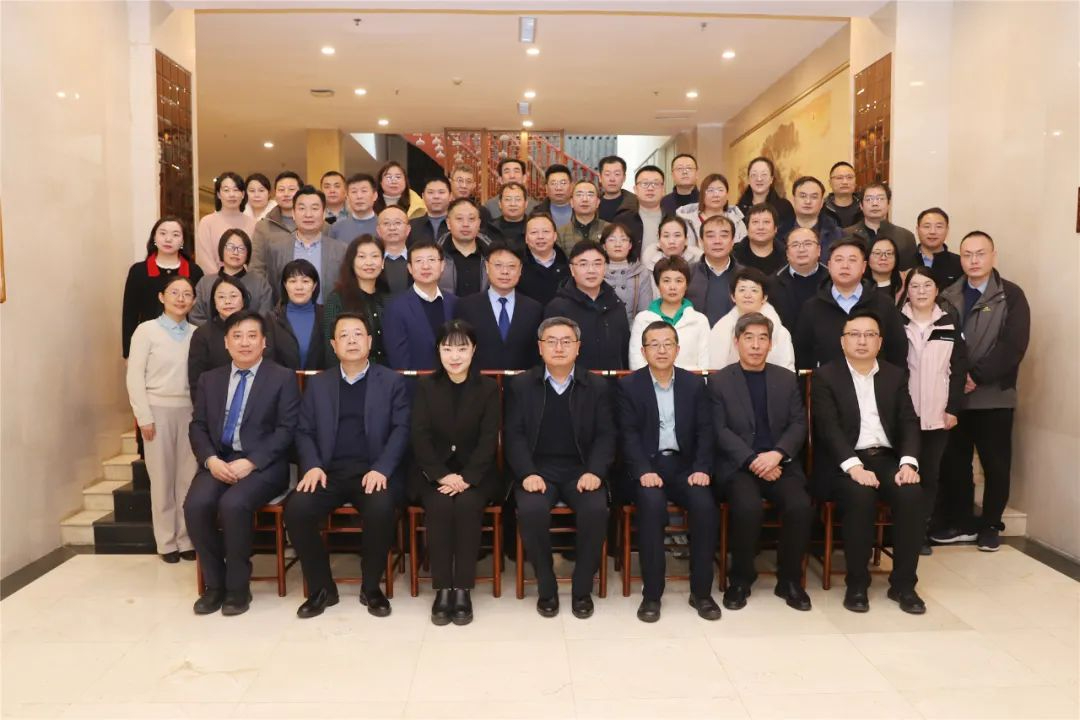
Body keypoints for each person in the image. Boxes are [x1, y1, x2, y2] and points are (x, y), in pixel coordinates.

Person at [285, 312, 410, 619]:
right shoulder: (318, 384)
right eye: (344, 335)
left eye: (358, 334)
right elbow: (303, 430)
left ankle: (371, 587)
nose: (352, 340)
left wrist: (382, 468)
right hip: (328, 472)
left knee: (381, 508)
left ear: (369, 341)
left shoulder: (391, 381)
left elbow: (402, 429)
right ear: (333, 345)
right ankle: (322, 588)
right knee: (297, 509)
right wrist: (312, 465)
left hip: (373, 471)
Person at [185, 310, 300, 616]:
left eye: (252, 336)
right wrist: (210, 460)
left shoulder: (282, 377)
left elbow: (287, 429)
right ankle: (215, 585)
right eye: (237, 336)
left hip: (264, 466)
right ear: (226, 342)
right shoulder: (210, 379)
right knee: (196, 505)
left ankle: (237, 588)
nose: (244, 343)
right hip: (219, 460)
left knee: (233, 504)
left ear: (264, 342)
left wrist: (252, 461)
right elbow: (197, 426)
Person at [811, 309, 926, 614]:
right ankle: (857, 584)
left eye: (869, 335)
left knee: (911, 494)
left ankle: (903, 585)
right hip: (842, 462)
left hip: (885, 458)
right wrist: (854, 467)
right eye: (854, 335)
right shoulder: (826, 376)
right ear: (843, 341)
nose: (862, 341)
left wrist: (908, 463)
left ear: (879, 342)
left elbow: (908, 422)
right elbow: (828, 429)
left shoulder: (894, 375)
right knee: (860, 495)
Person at [505, 317, 614, 618]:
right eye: (551, 341)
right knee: (531, 511)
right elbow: (513, 435)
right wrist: (527, 473)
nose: (559, 347)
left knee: (596, 510)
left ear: (578, 347)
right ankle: (546, 585)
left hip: (582, 469)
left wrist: (595, 471)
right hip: (538, 470)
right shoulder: (521, 385)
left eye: (567, 341)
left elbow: (606, 435)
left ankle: (582, 589)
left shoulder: (597, 386)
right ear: (540, 348)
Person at [617, 321, 720, 622]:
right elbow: (628, 435)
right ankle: (652, 595)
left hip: (685, 466)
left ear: (677, 349)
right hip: (647, 466)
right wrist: (643, 471)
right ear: (643, 351)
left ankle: (701, 592)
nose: (661, 350)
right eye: (654, 344)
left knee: (704, 505)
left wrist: (701, 468)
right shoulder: (628, 386)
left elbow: (706, 431)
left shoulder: (694, 384)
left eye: (667, 344)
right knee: (651, 506)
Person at [710, 312, 813, 611]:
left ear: (771, 344)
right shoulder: (719, 381)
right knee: (747, 507)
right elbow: (719, 430)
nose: (756, 345)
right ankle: (741, 579)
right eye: (749, 338)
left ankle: (789, 580)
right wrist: (752, 459)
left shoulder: (786, 378)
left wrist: (777, 454)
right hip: (739, 465)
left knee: (800, 506)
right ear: (737, 342)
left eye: (762, 339)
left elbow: (798, 424)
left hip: (780, 462)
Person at [935, 231, 1030, 552]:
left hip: (993, 397)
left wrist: (975, 376)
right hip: (955, 398)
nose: (973, 260)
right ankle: (962, 521)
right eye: (967, 254)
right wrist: (955, 378)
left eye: (980, 254)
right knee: (955, 463)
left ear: (993, 256)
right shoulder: (948, 295)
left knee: (995, 464)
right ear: (960, 258)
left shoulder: (1010, 295)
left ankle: (990, 525)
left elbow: (1013, 345)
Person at [410, 320, 501, 625]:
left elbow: (489, 439)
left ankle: (462, 589)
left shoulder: (488, 388)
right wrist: (441, 475)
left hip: (476, 473)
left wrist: (466, 478)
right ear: (438, 351)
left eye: (462, 348)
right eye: (447, 349)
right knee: (438, 505)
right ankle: (442, 589)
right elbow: (419, 436)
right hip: (433, 473)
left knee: (466, 505)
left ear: (474, 350)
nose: (455, 356)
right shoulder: (425, 386)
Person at [126, 275, 199, 563]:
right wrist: (143, 416)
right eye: (174, 292)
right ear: (161, 297)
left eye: (187, 294)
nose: (181, 298)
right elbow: (134, 376)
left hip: (190, 412)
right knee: (162, 479)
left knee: (187, 479)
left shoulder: (196, 333)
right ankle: (167, 542)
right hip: (157, 411)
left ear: (194, 300)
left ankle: (186, 539)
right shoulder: (146, 331)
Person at [900, 267, 968, 554]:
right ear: (907, 291)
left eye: (927, 285)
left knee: (929, 475)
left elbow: (959, 369)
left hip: (937, 415)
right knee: (903, 475)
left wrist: (953, 408)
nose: (921, 291)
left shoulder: (949, 323)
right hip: (904, 415)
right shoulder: (897, 322)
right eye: (915, 286)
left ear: (937, 289)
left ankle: (920, 533)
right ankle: (899, 533)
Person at [794, 238, 907, 370]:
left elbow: (897, 352)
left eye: (852, 260)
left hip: (875, 381)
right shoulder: (812, 307)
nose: (845, 266)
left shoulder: (883, 304)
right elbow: (802, 355)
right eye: (839, 260)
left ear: (864, 267)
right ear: (829, 266)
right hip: (825, 382)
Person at [122, 217, 204, 358]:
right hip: (148, 346)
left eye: (175, 235)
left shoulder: (194, 271)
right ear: (154, 237)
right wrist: (128, 354)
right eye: (163, 233)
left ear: (183, 241)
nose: (168, 239)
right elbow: (129, 315)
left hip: (185, 345)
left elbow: (198, 313)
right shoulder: (139, 271)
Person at [452, 243, 543, 370]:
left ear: (520, 270)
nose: (505, 272)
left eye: (511, 266)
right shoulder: (466, 306)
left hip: (522, 380)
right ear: (487, 267)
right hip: (479, 380)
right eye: (498, 265)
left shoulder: (534, 309)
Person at [253, 185, 347, 306]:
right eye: (302, 208)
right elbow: (272, 288)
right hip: (287, 315)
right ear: (293, 213)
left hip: (329, 315)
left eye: (314, 208)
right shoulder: (276, 249)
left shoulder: (341, 250)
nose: (308, 214)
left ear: (324, 214)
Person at [544, 241, 630, 371]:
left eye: (597, 264)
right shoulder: (558, 308)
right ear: (572, 269)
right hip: (573, 381)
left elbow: (624, 352)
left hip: (611, 381)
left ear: (605, 268)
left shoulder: (616, 305)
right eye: (583, 264)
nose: (591, 270)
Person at [382, 239, 458, 370]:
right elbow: (398, 358)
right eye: (419, 261)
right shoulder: (396, 307)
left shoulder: (455, 303)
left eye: (431, 260)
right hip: (414, 380)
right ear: (410, 268)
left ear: (442, 265)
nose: (425, 266)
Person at [629, 257, 710, 371]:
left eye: (679, 281)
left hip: (691, 382)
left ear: (687, 285)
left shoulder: (700, 320)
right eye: (666, 281)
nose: (672, 287)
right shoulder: (642, 319)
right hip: (650, 382)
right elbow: (636, 362)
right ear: (658, 284)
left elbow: (705, 365)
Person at [709, 267, 795, 372]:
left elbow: (787, 373)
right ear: (733, 296)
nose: (747, 295)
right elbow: (713, 371)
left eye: (754, 290)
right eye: (742, 290)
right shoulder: (720, 329)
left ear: (764, 297)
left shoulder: (780, 332)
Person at [322, 234, 389, 366]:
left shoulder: (389, 298)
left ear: (382, 263)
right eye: (362, 257)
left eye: (375, 256)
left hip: (386, 374)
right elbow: (330, 348)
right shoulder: (337, 299)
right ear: (351, 262)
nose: (369, 262)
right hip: (351, 372)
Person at [188, 276, 257, 397]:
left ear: (243, 299)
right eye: (221, 297)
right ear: (214, 302)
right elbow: (196, 382)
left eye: (233, 296)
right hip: (215, 400)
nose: (227, 301)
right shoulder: (202, 334)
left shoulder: (257, 330)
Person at [189, 229, 273, 326]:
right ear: (221, 249)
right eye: (230, 247)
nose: (235, 252)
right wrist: (216, 331)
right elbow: (195, 317)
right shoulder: (205, 283)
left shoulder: (260, 284)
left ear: (248, 253)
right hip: (210, 335)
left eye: (241, 249)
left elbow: (265, 318)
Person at [268, 259, 327, 371]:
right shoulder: (272, 319)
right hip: (281, 381)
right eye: (292, 281)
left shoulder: (326, 316)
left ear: (314, 286)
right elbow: (268, 360)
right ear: (285, 285)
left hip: (321, 380)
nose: (299, 287)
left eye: (305, 281)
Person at [845, 182, 918, 270]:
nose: (875, 203)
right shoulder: (846, 235)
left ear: (888, 204)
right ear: (861, 205)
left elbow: (909, 273)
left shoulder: (906, 237)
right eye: (869, 199)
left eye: (880, 198)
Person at [768, 226, 828, 334]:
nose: (801, 249)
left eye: (808, 244)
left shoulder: (832, 279)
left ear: (819, 250)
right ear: (787, 253)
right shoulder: (773, 283)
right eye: (795, 245)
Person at [195, 172, 257, 276]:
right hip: (215, 282)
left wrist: (245, 280)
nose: (231, 194)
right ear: (219, 194)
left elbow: (255, 259)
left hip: (246, 281)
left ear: (243, 194)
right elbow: (204, 259)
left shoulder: (253, 224)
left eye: (236, 190)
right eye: (226, 190)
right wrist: (221, 281)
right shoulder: (207, 222)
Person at [686, 215, 741, 327]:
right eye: (710, 236)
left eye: (724, 236)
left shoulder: (746, 276)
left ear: (732, 241)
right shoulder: (686, 274)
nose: (717, 241)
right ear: (701, 242)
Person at [436, 198, 495, 297]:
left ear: (479, 223)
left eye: (471, 219)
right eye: (459, 219)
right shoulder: (436, 255)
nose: (466, 224)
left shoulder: (492, 255)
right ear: (448, 223)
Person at [249, 171, 305, 274]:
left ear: (301, 193)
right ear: (275, 194)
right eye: (281, 190)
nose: (286, 194)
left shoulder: (315, 224)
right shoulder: (263, 226)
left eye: (291, 189)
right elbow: (256, 266)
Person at [677, 173, 748, 248]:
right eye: (710, 190)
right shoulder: (687, 222)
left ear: (727, 195)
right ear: (702, 195)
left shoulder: (737, 221)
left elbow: (744, 249)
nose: (716, 195)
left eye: (720, 190)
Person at [602, 222, 653, 326]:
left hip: (632, 329)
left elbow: (645, 312)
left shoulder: (641, 272)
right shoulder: (596, 271)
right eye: (612, 240)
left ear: (630, 245)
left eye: (623, 239)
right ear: (604, 246)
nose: (618, 244)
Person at [779, 176, 843, 256]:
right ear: (793, 200)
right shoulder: (778, 234)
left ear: (822, 202)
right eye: (803, 196)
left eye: (814, 197)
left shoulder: (838, 235)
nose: (808, 201)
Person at [517, 212, 570, 306]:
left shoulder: (569, 265)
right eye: (534, 232)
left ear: (555, 236)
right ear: (526, 238)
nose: (540, 237)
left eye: (545, 231)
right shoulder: (517, 266)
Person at [736, 157, 795, 234]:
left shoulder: (784, 207)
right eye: (754, 175)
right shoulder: (738, 210)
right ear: (748, 180)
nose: (759, 179)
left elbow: (788, 236)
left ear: (771, 179)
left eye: (764, 174)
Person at [556, 180, 609, 255]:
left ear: (598, 202)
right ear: (571, 202)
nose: (585, 199)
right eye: (579, 195)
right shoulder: (560, 234)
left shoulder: (609, 230)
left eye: (590, 195)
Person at [915, 207, 963, 289]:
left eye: (939, 226)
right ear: (917, 230)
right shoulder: (904, 262)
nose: (932, 232)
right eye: (927, 226)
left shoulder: (960, 263)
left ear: (947, 230)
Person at [732, 204, 786, 275]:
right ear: (747, 228)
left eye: (766, 222)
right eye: (755, 222)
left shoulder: (788, 256)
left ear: (775, 228)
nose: (761, 227)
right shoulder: (733, 256)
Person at [328, 173, 379, 243]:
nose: (359, 196)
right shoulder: (336, 228)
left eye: (364, 191)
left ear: (375, 195)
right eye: (354, 192)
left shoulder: (384, 226)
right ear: (347, 197)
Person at [376, 206, 413, 294]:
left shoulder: (417, 259)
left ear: (408, 229)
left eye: (398, 223)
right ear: (378, 231)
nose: (392, 228)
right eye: (386, 223)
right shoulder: (371, 261)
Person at [630, 165, 665, 255]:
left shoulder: (672, 218)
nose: (650, 188)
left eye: (656, 184)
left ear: (663, 190)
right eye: (645, 184)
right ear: (635, 189)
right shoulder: (624, 220)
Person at [409, 176, 452, 247]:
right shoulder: (411, 226)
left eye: (441, 192)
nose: (436, 196)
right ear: (423, 196)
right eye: (430, 192)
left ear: (450, 196)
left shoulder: (457, 224)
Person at [596, 155, 638, 222]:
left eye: (617, 174)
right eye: (607, 174)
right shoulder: (592, 203)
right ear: (600, 178)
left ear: (624, 178)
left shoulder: (637, 203)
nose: (612, 179)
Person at [489, 181, 529, 252]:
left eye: (518, 199)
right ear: (500, 204)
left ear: (526, 204)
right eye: (508, 199)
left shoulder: (534, 228)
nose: (513, 204)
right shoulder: (490, 229)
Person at [865, 237, 905, 304]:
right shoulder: (857, 287)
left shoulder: (906, 286)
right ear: (867, 258)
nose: (883, 258)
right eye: (877, 253)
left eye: (889, 253)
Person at [823, 161, 862, 229]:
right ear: (830, 183)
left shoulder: (864, 207)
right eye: (839, 178)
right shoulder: (821, 208)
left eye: (849, 177)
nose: (845, 182)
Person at [534, 164, 574, 229]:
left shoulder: (584, 210)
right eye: (553, 183)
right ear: (546, 188)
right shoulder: (536, 213)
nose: (558, 188)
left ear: (571, 186)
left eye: (563, 183)